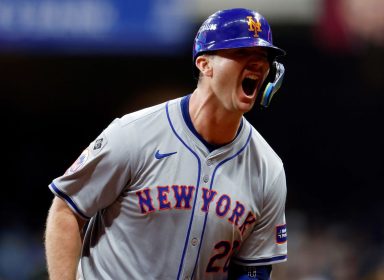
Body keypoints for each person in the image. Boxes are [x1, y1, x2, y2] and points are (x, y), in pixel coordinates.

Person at [45, 8, 288, 280]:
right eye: (241, 52)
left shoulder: (268, 168)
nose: (257, 63)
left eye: (263, 56)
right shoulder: (134, 135)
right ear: (205, 64)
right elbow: (66, 209)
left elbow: (253, 269)